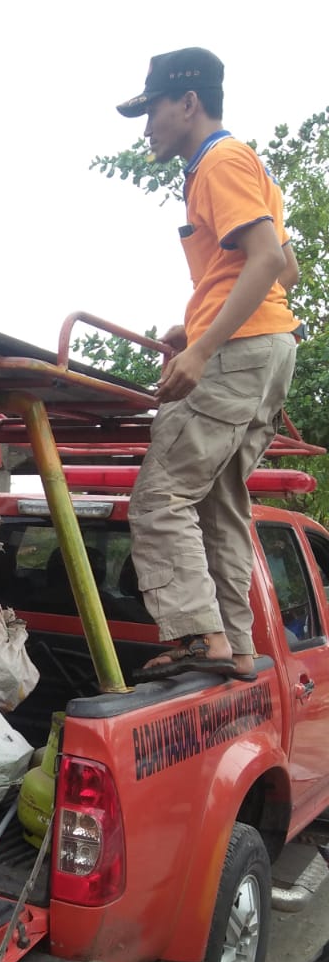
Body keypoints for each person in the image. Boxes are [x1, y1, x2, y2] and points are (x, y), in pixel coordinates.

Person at [116, 49, 299, 682]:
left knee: (160, 496)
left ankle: (199, 635)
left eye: (153, 112)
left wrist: (202, 346)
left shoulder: (218, 161)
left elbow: (268, 261)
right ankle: (238, 646)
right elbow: (285, 266)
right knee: (220, 500)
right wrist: (193, 326)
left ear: (187, 103)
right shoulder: (246, 166)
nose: (146, 130)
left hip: (242, 349)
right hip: (267, 347)